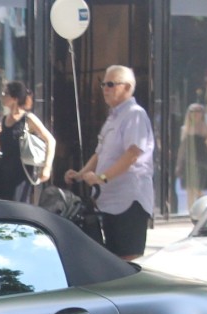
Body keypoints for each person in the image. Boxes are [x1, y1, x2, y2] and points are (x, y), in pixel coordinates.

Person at [65, 65, 155, 261]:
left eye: (111, 84)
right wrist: (80, 174)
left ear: (128, 87)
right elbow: (100, 154)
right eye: (104, 84)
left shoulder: (134, 114)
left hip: (128, 200)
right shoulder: (113, 117)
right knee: (110, 258)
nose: (105, 88)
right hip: (108, 201)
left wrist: (102, 178)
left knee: (127, 259)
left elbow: (133, 154)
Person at [0, 81, 55, 203]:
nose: (2, 96)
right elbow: (5, 148)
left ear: (14, 98)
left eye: (5, 93)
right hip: (3, 173)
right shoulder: (3, 119)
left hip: (21, 173)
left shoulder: (28, 119)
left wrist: (47, 168)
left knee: (17, 207)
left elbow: (50, 140)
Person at [175, 103, 207, 210]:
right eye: (193, 112)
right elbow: (182, 147)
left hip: (201, 160)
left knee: (198, 187)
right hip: (188, 161)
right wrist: (179, 164)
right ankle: (190, 211)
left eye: (198, 112)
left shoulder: (206, 128)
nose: (196, 115)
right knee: (190, 189)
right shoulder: (185, 128)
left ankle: (204, 207)